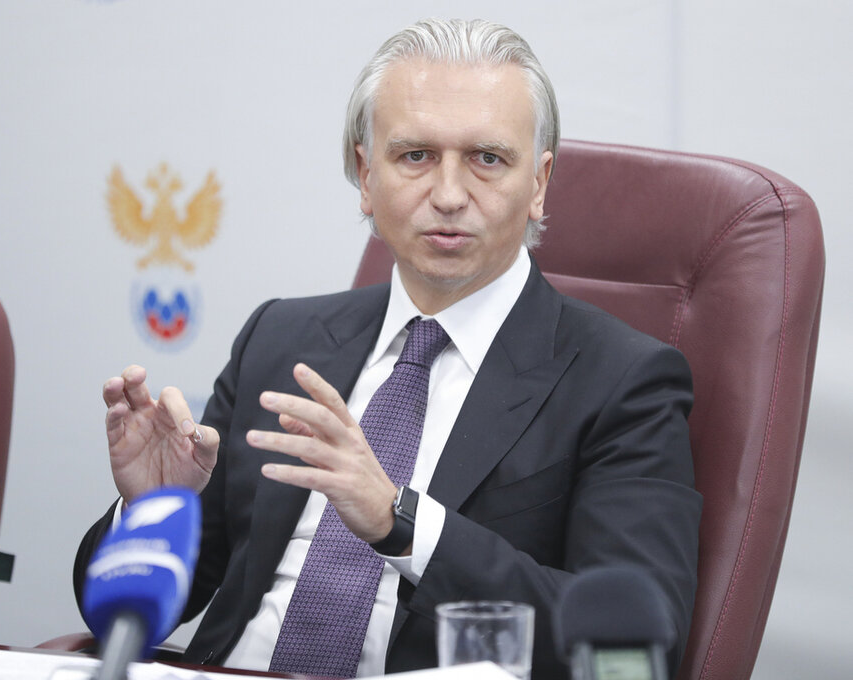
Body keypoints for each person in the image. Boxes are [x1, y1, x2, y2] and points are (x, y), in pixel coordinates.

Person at [74, 18, 701, 680]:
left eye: (488, 159)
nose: (450, 195)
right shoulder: (281, 339)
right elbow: (125, 618)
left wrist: (400, 523)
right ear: (366, 175)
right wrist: (152, 517)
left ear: (539, 184)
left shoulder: (622, 381)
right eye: (416, 156)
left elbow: (635, 650)